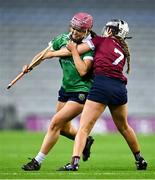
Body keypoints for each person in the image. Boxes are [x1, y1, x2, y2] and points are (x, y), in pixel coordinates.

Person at [53, 19, 148, 171]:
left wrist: (52, 53)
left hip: (102, 85)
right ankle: (140, 159)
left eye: (108, 28)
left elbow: (75, 49)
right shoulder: (123, 49)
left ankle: (74, 163)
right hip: (119, 88)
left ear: (111, 30)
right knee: (124, 127)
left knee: (83, 128)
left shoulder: (100, 40)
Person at [21, 12, 97, 171]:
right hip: (65, 89)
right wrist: (30, 65)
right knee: (62, 128)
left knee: (55, 122)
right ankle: (85, 141)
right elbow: (43, 54)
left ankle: (37, 161)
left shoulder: (90, 45)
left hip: (82, 91)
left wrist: (52, 54)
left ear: (87, 31)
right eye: (74, 28)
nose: (75, 32)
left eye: (80, 30)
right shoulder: (62, 38)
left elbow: (82, 69)